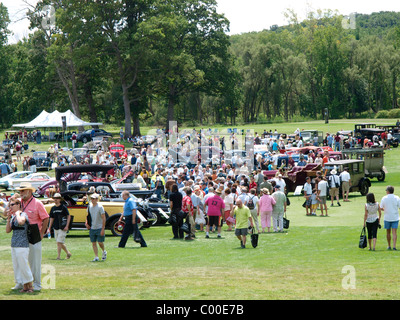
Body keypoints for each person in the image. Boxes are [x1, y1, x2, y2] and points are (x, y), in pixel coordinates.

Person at [16, 182, 49, 292]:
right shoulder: (19, 203)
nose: (21, 193)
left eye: (23, 191)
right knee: (21, 260)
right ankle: (22, 282)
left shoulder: (37, 203)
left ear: (30, 191)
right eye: (20, 191)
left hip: (34, 234)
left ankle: (37, 283)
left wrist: (42, 233)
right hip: (21, 235)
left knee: (35, 261)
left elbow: (45, 218)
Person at [6, 198, 34, 293]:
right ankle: (24, 286)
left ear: (19, 205)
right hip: (14, 244)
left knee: (24, 265)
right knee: (18, 266)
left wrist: (18, 213)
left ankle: (30, 286)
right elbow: (8, 230)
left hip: (22, 244)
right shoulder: (14, 217)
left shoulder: (23, 214)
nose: (11, 206)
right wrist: (9, 218)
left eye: (12, 204)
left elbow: (21, 222)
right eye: (10, 205)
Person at [47, 193, 72, 260]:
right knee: (60, 242)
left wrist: (67, 226)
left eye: (57, 198)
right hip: (56, 227)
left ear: (60, 199)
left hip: (62, 227)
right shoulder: (53, 208)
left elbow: (68, 216)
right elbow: (51, 218)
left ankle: (58, 256)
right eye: (55, 198)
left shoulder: (63, 207)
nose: (56, 200)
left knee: (58, 242)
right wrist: (49, 228)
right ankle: (68, 253)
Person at [85, 193, 107, 261]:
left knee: (100, 242)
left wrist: (103, 229)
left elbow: (103, 218)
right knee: (93, 243)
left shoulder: (100, 207)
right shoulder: (89, 206)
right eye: (91, 199)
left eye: (94, 199)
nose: (92, 200)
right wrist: (86, 223)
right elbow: (88, 216)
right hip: (92, 227)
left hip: (99, 227)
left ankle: (104, 251)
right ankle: (96, 256)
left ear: (97, 199)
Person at [380, 186, 400, 250]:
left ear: (388, 191)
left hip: (387, 217)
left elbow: (381, 207)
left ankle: (389, 245)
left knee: (388, 232)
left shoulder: (384, 198)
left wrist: (385, 209)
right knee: (394, 232)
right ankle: (394, 246)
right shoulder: (397, 197)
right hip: (395, 217)